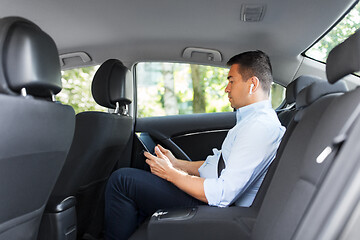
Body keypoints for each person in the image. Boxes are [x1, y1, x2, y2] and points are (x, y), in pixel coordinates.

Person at [104, 50, 286, 240]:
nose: (226, 88)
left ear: (253, 84)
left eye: (231, 81)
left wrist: (171, 174)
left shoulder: (259, 128)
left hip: (218, 210)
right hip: (212, 200)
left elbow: (222, 194)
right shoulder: (251, 122)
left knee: (122, 181)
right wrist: (176, 164)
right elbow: (217, 165)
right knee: (142, 173)